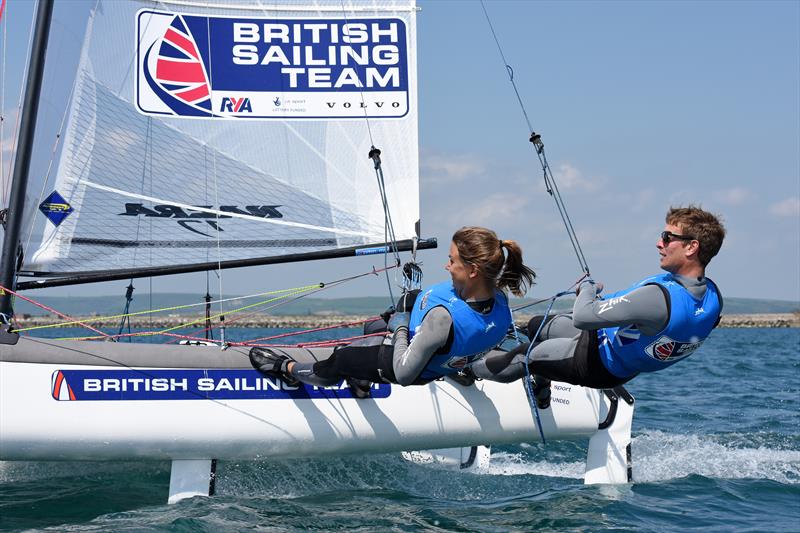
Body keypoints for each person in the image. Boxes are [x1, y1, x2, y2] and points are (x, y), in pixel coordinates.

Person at [471, 205, 726, 397]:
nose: (659, 243)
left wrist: (587, 289)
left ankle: (463, 366)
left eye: (668, 237)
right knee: (538, 324)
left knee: (523, 356)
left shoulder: (658, 298)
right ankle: (543, 378)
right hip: (614, 351)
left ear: (691, 247)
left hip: (594, 364)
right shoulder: (713, 297)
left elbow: (583, 317)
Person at [249, 226, 536, 396]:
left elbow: (403, 375)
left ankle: (286, 369)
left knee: (342, 357)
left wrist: (400, 326)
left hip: (410, 363)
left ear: (473, 271)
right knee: (372, 328)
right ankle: (361, 384)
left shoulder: (442, 319)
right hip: (443, 354)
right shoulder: (498, 300)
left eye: (452, 261)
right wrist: (412, 303)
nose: (446, 266)